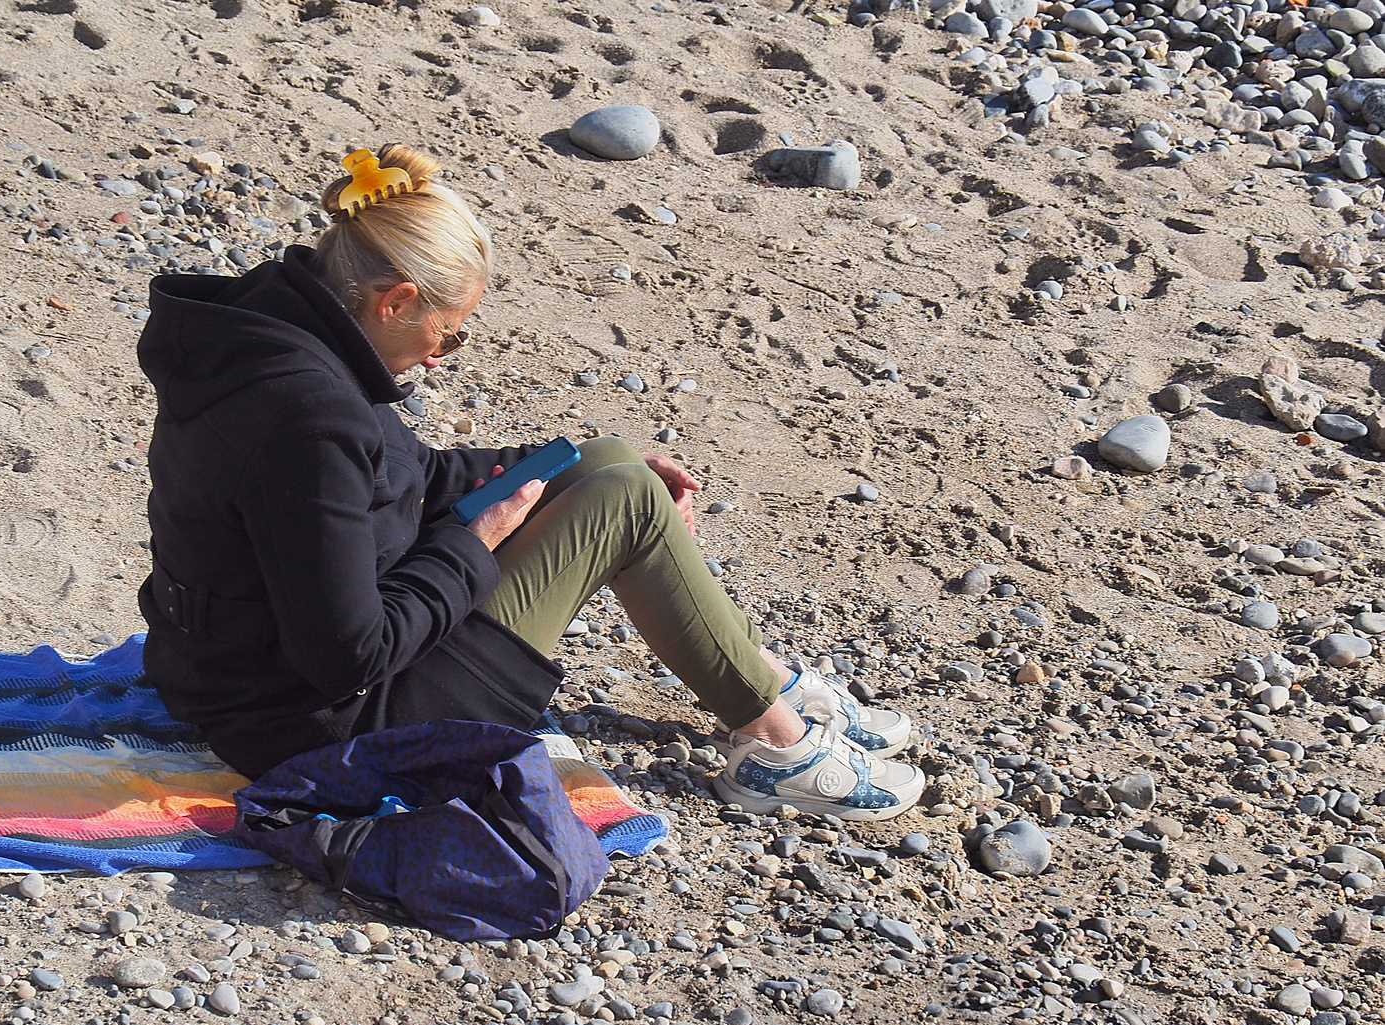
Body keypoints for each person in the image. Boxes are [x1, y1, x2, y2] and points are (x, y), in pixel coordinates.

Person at [135, 144, 924, 821]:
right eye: (448, 332)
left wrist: (556, 467)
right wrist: (475, 542)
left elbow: (400, 478)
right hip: (324, 726)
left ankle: (765, 682)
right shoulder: (310, 415)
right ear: (395, 299)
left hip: (234, 670)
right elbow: (348, 656)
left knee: (609, 461)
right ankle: (779, 752)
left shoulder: (274, 339)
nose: (444, 354)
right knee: (627, 505)